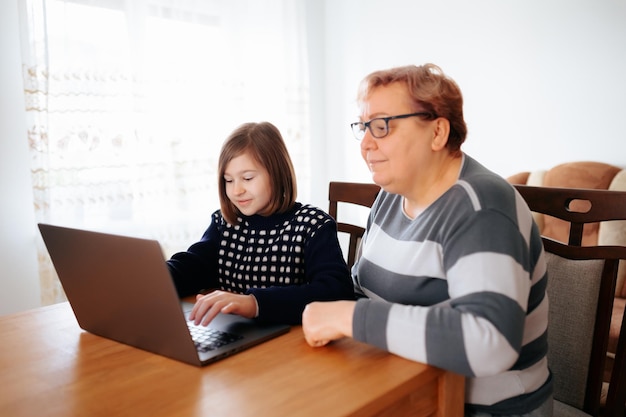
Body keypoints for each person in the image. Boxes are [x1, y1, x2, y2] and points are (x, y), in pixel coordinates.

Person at [301, 64, 552, 416]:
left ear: (437, 132)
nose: (367, 144)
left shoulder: (482, 208)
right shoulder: (391, 195)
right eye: (363, 127)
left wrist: (350, 317)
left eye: (382, 126)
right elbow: (361, 288)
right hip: (399, 385)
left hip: (482, 408)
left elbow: (489, 340)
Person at [167, 121, 354, 326]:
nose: (236, 190)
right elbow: (193, 266)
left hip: (291, 343)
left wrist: (255, 303)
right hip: (236, 335)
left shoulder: (313, 225)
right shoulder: (224, 223)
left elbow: (336, 291)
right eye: (228, 180)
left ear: (277, 174)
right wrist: (152, 279)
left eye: (247, 178)